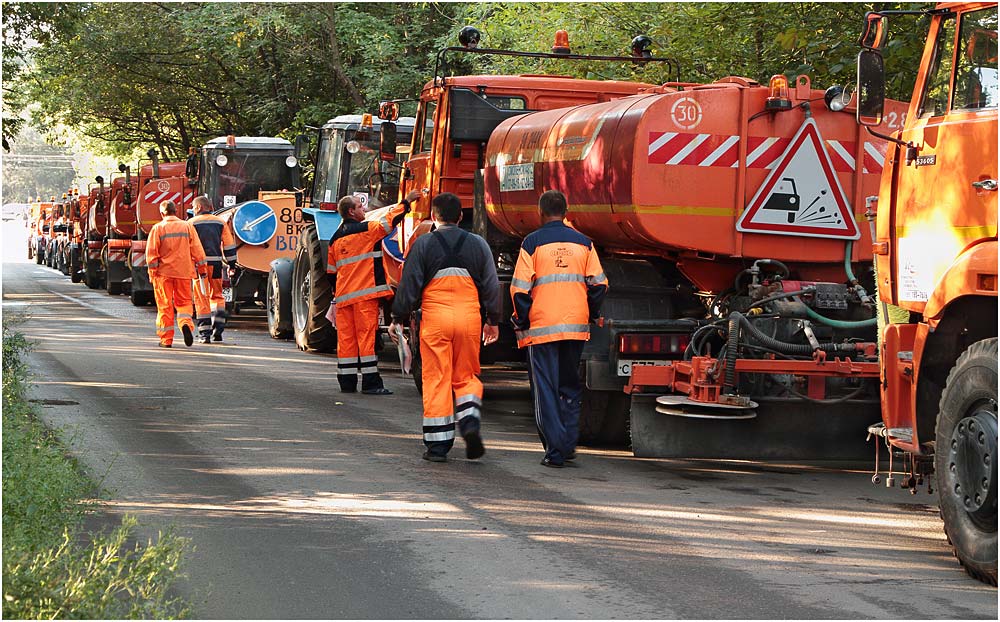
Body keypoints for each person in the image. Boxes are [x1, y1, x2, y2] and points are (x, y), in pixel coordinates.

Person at [389, 193, 501, 463]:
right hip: (469, 319)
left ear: (433, 217)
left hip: (436, 319)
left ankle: (438, 447)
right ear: (461, 217)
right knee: (467, 376)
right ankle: (470, 421)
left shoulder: (424, 244)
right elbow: (491, 285)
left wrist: (397, 317)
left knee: (437, 379)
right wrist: (493, 320)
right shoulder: (479, 245)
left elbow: (410, 284)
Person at [510, 190, 608, 468]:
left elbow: (519, 289)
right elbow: (600, 285)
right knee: (569, 385)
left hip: (542, 328)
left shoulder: (531, 243)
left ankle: (556, 451)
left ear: (540, 212)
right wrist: (590, 310)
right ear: (567, 212)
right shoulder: (585, 244)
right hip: (575, 327)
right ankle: (566, 443)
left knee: (545, 389)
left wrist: (521, 319)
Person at [327, 189, 422, 394]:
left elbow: (330, 273)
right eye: (361, 207)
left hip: (343, 299)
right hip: (364, 296)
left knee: (346, 341)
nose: (365, 209)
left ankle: (347, 382)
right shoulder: (367, 230)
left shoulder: (334, 239)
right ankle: (371, 383)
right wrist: (406, 202)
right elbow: (390, 221)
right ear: (352, 212)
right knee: (366, 339)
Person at [146, 199, 208, 348]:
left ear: (162, 213)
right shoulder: (187, 226)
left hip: (164, 274)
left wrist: (152, 274)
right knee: (185, 303)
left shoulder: (158, 228)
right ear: (176, 211)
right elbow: (198, 251)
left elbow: (151, 255)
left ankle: (166, 340)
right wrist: (202, 270)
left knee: (165, 306)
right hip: (184, 272)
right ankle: (186, 324)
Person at [189, 196, 238, 343]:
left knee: (201, 298)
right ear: (209, 207)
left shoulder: (190, 224)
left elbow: (186, 247)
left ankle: (205, 334)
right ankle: (218, 331)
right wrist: (232, 264)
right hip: (216, 265)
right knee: (217, 296)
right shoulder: (220, 222)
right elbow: (229, 245)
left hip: (198, 266)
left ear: (198, 208)